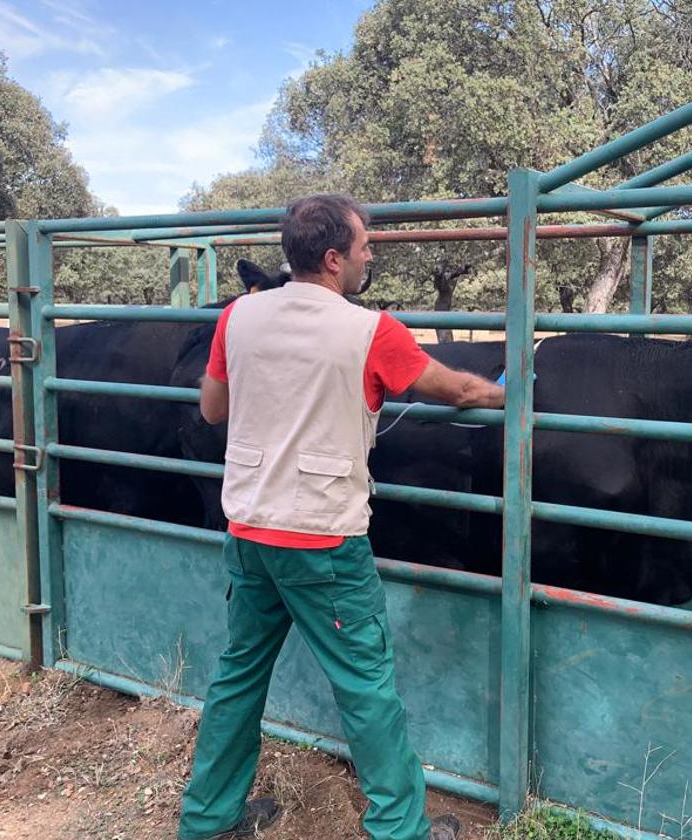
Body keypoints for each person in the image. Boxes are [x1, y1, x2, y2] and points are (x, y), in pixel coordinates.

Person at [177, 194, 505, 840]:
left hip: (247, 530)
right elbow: (459, 389)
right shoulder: (370, 330)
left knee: (239, 673)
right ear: (333, 260)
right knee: (366, 687)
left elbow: (212, 410)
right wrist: (510, 392)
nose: (369, 256)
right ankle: (401, 828)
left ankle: (208, 820)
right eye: (364, 248)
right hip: (322, 540)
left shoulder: (237, 317)